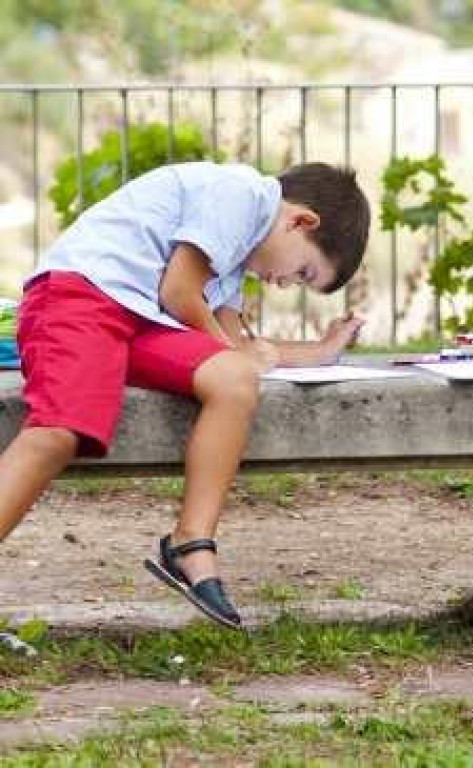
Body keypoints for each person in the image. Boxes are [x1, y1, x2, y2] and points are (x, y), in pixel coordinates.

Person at [0, 160, 370, 630]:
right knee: (58, 433)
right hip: (82, 297)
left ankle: (190, 543)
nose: (283, 283)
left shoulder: (236, 260)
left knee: (234, 381)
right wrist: (235, 349)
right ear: (300, 221)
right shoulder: (243, 194)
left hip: (142, 322)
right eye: (301, 272)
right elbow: (180, 292)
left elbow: (236, 349)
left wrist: (320, 350)